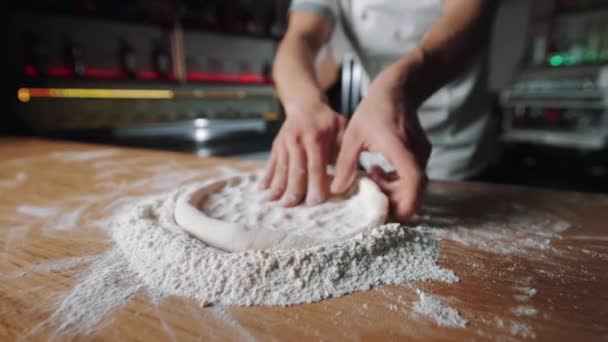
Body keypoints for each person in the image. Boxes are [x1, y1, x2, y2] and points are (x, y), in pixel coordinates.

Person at [259, 0, 499, 222]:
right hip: (372, 138)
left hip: (456, 148)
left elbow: (470, 20)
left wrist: (399, 86)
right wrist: (304, 105)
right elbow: (301, 37)